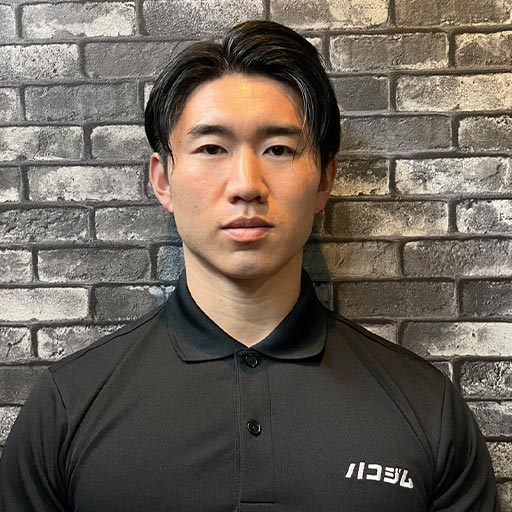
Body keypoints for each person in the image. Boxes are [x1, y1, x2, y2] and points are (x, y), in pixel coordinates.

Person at [0, 20, 499, 512]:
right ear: (163, 180)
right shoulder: (68, 406)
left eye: (278, 149)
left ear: (325, 179)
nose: (246, 185)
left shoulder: (426, 409)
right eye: (211, 148)